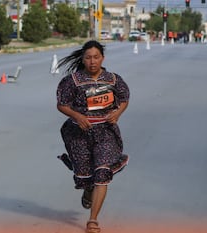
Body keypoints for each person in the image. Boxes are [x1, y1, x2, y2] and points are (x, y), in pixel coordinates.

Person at [56, 40, 130, 233]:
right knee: (85, 176)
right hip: (79, 135)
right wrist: (77, 115)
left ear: (102, 58)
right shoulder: (72, 81)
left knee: (102, 172)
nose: (92, 61)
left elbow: (124, 98)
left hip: (105, 133)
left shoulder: (113, 79)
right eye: (88, 58)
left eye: (96, 57)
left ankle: (93, 221)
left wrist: (118, 113)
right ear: (83, 59)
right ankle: (89, 189)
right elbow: (62, 104)